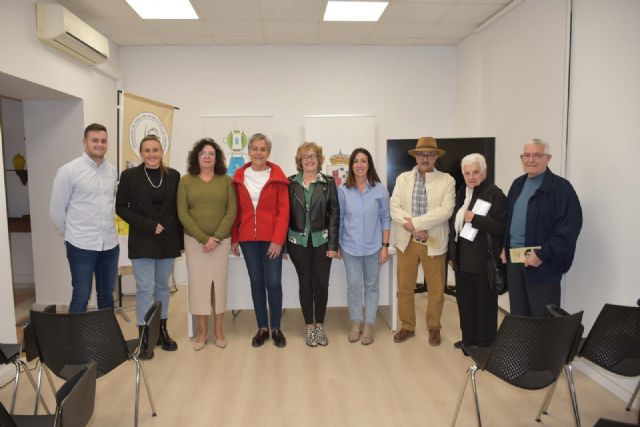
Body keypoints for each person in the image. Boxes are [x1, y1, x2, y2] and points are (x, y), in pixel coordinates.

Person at [115, 135, 183, 359]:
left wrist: (179, 242)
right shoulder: (130, 176)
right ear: (140, 153)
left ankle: (162, 330)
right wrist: (149, 225)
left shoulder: (173, 175)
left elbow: (177, 209)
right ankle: (145, 335)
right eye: (147, 151)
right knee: (145, 288)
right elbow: (121, 208)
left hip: (167, 240)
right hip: (143, 238)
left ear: (162, 151)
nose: (152, 154)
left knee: (162, 287)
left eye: (155, 150)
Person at [501, 139, 582, 316]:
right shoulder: (517, 184)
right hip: (515, 261)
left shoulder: (561, 188)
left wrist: (542, 255)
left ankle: (541, 346)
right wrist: (504, 246)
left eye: (537, 155)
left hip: (543, 265)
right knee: (519, 315)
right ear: (521, 158)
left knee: (543, 318)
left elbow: (568, 230)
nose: (531, 160)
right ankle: (523, 345)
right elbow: (509, 219)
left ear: (548, 158)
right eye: (527, 155)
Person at [390, 136, 455, 346]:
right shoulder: (402, 179)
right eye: (421, 154)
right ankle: (407, 326)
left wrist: (416, 224)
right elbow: (394, 207)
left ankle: (434, 327)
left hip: (433, 240)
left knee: (436, 289)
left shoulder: (447, 180)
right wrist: (413, 228)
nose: (425, 158)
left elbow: (445, 211)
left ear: (436, 157)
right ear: (415, 157)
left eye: (429, 154)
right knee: (405, 287)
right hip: (406, 241)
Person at [50, 123, 119, 313]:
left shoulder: (112, 171)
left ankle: (105, 339)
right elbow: (56, 210)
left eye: (103, 141)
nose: (100, 144)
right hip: (81, 245)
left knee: (106, 294)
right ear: (84, 142)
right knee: (81, 295)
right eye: (94, 140)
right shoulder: (69, 171)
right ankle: (76, 342)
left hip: (109, 245)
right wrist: (72, 235)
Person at [177, 138, 237, 350]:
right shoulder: (186, 181)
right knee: (199, 286)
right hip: (195, 243)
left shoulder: (226, 181)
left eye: (211, 153)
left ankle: (218, 329)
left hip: (221, 243)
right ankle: (202, 331)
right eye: (203, 153)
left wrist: (217, 237)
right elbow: (182, 213)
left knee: (218, 286)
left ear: (217, 158)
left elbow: (231, 211)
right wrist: (203, 238)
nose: (207, 157)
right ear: (196, 157)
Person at [231, 133, 289, 348]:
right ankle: (262, 328)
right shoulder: (239, 176)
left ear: (268, 152)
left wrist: (278, 240)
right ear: (249, 151)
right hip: (248, 239)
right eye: (254, 148)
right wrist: (235, 239)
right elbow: (235, 211)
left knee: (273, 282)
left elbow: (284, 211)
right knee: (256, 282)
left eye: (262, 149)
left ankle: (276, 328)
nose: (258, 153)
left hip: (271, 239)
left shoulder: (277, 176)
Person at [447, 153, 507, 349]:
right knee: (465, 303)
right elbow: (454, 225)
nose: (471, 177)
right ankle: (469, 340)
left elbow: (501, 226)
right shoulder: (464, 191)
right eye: (467, 173)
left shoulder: (495, 194)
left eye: (475, 172)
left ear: (485, 172)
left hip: (483, 261)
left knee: (484, 305)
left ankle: (485, 344)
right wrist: (451, 254)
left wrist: (476, 219)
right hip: (463, 261)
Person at [287, 142, 339, 347]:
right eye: (305, 157)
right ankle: (309, 326)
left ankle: (320, 326)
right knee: (305, 283)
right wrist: (282, 246)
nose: (309, 160)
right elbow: (284, 216)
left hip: (322, 241)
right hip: (297, 242)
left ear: (319, 160)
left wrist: (333, 245)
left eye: (313, 156)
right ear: (300, 161)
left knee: (321, 283)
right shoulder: (290, 184)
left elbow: (335, 214)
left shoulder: (328, 183)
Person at [338, 148, 391, 345]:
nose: (360, 165)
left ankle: (369, 325)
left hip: (373, 248)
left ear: (369, 165)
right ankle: (355, 323)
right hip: (350, 248)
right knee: (353, 286)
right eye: (356, 161)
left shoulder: (380, 190)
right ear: (351, 166)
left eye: (364, 161)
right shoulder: (343, 190)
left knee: (371, 287)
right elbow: (341, 219)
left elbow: (386, 218)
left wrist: (385, 246)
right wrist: (337, 245)